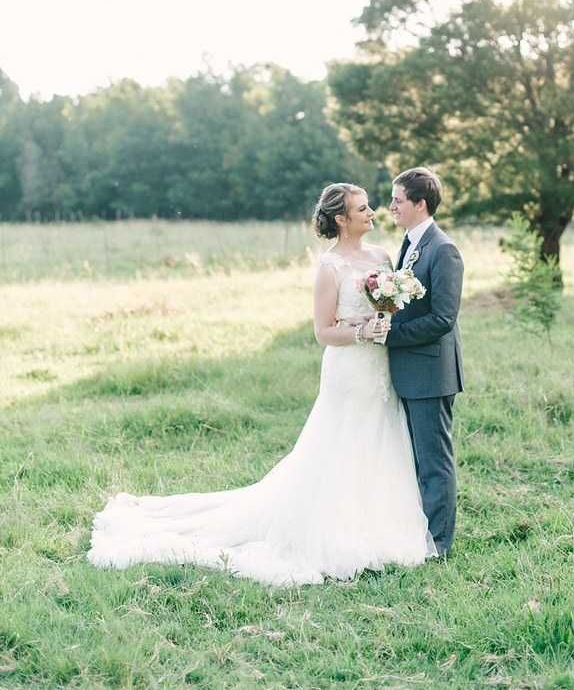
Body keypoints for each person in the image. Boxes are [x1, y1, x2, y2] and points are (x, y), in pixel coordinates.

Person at [87, 182, 435, 587]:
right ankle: (333, 529)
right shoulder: (330, 267)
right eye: (362, 209)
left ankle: (379, 522)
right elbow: (323, 332)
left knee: (381, 438)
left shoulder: (381, 256)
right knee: (343, 443)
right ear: (341, 219)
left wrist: (385, 318)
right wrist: (360, 332)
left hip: (380, 367)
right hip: (349, 369)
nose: (372, 212)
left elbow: (388, 306)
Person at [385, 167, 464, 558]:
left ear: (420, 203)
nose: (391, 207)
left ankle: (439, 545)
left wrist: (390, 335)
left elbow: (443, 319)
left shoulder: (443, 249)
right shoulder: (411, 243)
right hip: (411, 371)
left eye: (397, 200)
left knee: (434, 462)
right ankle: (421, 534)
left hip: (431, 372)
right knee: (416, 460)